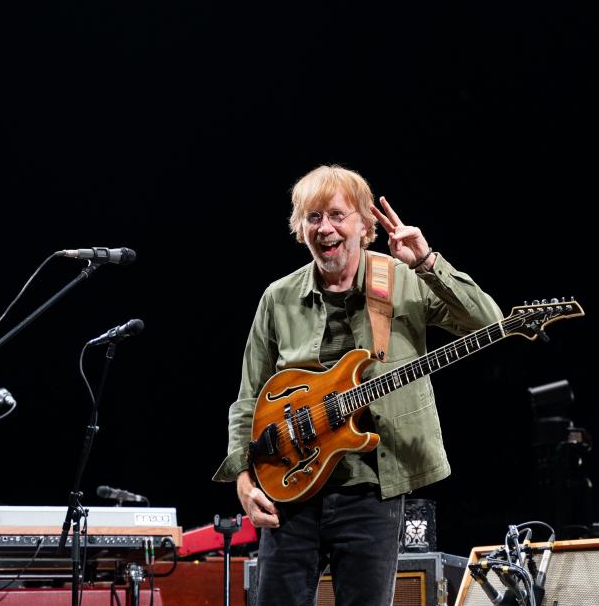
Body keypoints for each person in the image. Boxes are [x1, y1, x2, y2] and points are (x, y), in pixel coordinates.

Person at [212, 164, 502, 605]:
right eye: (312, 217)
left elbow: (488, 323)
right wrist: (244, 481)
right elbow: (248, 398)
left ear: (365, 224)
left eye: (336, 215)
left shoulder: (402, 280)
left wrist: (427, 262)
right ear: (300, 228)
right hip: (288, 488)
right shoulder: (278, 297)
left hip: (372, 488)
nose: (324, 228)